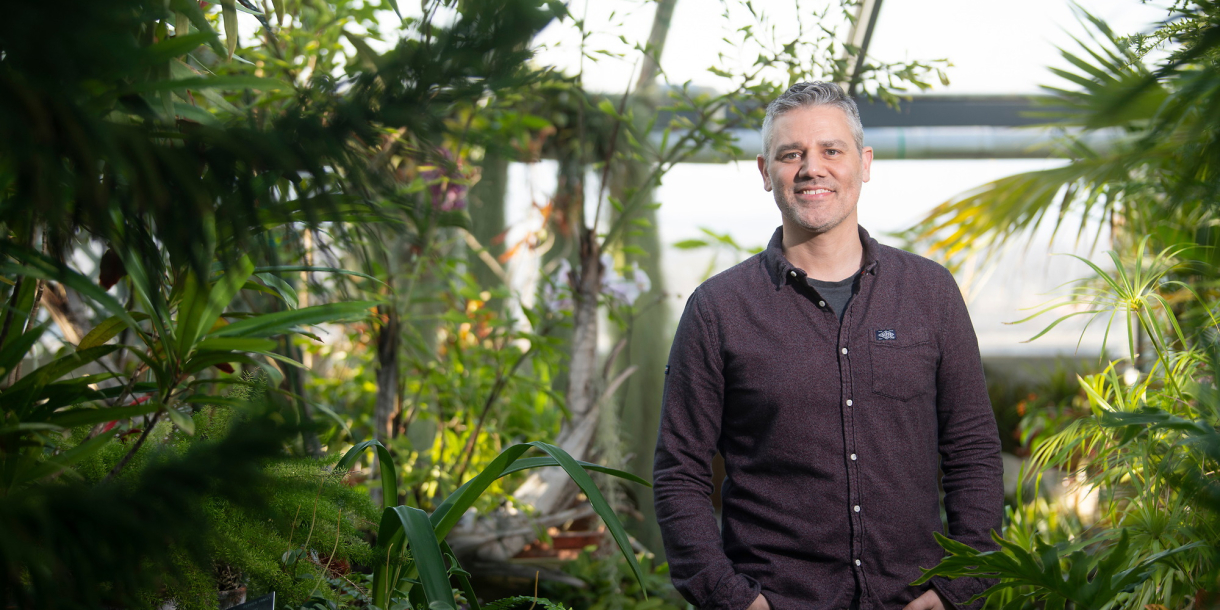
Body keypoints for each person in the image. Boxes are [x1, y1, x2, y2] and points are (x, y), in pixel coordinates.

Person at [652, 82, 1004, 610]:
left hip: (916, 599)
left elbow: (972, 448)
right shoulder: (718, 309)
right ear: (765, 171)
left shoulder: (930, 293)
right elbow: (679, 471)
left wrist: (959, 587)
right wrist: (732, 600)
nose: (811, 168)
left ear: (863, 163)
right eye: (791, 154)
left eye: (830, 150)